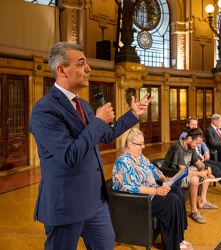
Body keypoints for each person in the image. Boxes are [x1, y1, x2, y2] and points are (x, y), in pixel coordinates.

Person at [29, 42, 153, 250]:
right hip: (66, 204)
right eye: (81, 64)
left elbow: (106, 134)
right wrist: (97, 122)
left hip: (95, 202)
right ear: (61, 70)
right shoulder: (44, 110)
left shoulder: (83, 104)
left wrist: (133, 114)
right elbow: (69, 155)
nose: (88, 69)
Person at [112, 128, 193, 250]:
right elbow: (130, 187)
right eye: (140, 144)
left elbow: (153, 169)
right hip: (139, 201)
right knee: (171, 200)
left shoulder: (139, 156)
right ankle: (173, 245)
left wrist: (164, 179)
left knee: (177, 191)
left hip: (151, 193)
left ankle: (179, 237)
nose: (143, 147)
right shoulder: (123, 162)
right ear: (130, 144)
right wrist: (156, 191)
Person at [162, 128, 218, 224]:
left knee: (207, 169)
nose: (198, 146)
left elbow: (198, 163)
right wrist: (200, 173)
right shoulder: (177, 147)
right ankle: (194, 211)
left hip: (185, 171)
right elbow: (182, 168)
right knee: (194, 179)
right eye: (196, 143)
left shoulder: (191, 147)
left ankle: (202, 201)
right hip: (173, 173)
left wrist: (205, 170)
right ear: (190, 138)